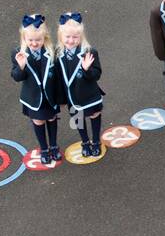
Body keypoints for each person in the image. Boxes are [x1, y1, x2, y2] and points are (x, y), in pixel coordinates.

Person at [11, 13, 63, 164]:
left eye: (38, 40)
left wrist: (61, 97)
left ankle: (53, 146)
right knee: (39, 121)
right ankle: (44, 149)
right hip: (33, 97)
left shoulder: (52, 51)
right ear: (24, 39)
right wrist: (21, 66)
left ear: (44, 38)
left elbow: (58, 76)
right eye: (30, 40)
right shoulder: (18, 53)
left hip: (50, 95)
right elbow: (16, 77)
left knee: (52, 119)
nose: (34, 43)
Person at [55, 12, 104, 157]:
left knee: (94, 114)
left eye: (75, 37)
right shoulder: (58, 55)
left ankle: (96, 141)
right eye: (67, 37)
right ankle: (85, 142)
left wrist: (86, 70)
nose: (71, 41)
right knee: (78, 118)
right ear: (61, 37)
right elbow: (59, 79)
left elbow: (97, 75)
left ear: (81, 37)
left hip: (90, 95)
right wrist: (61, 100)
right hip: (72, 97)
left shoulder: (89, 52)